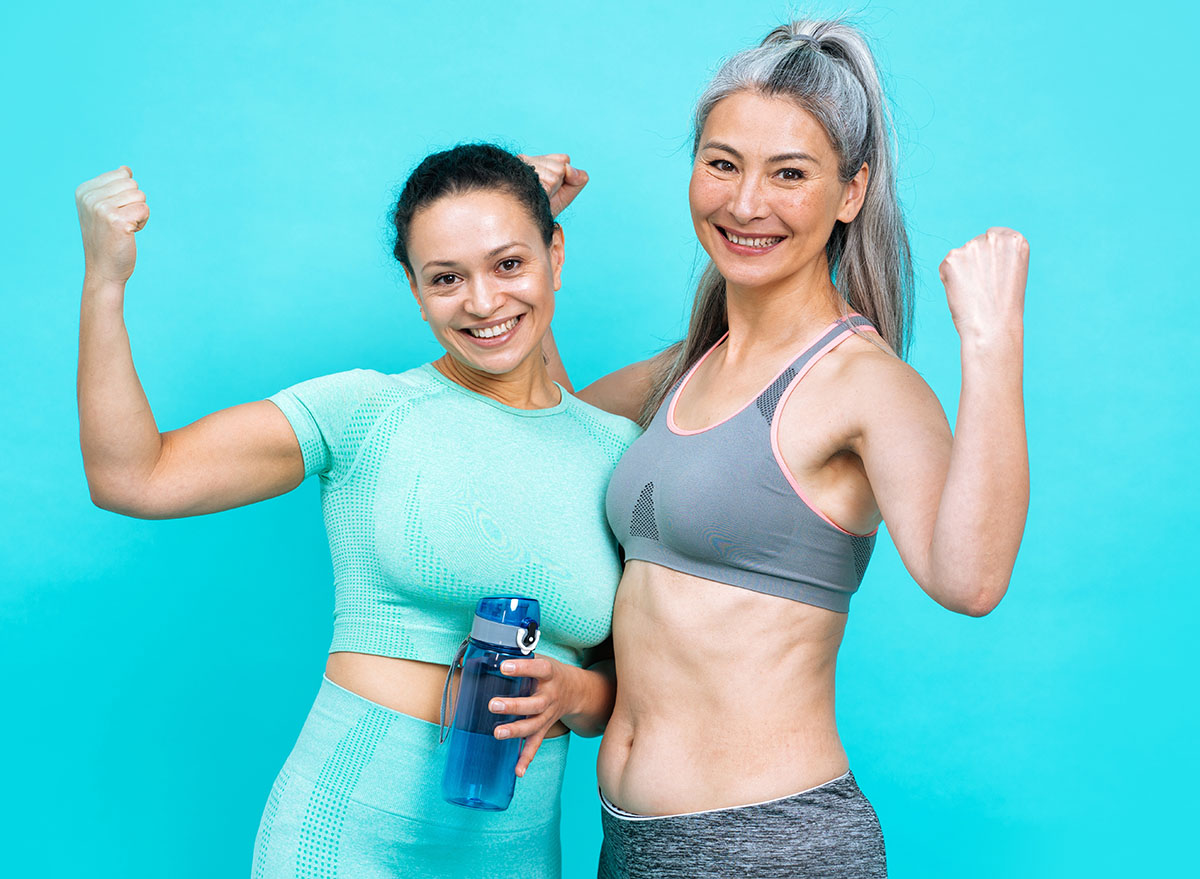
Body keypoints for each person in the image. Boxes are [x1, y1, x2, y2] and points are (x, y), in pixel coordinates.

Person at [530, 17, 1029, 878]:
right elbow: (545, 425)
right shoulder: (691, 366)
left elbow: (970, 578)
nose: (746, 203)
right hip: (632, 843)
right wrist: (531, 241)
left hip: (772, 847)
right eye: (722, 164)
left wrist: (992, 342)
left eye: (789, 174)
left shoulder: (859, 383)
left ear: (850, 191)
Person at [73, 143, 640, 878]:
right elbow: (133, 476)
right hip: (342, 838)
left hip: (515, 853)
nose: (482, 302)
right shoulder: (367, 410)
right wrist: (104, 281)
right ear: (413, 287)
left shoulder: (616, 449)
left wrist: (572, 689)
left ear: (554, 253)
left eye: (509, 264)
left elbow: (630, 685)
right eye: (446, 277)